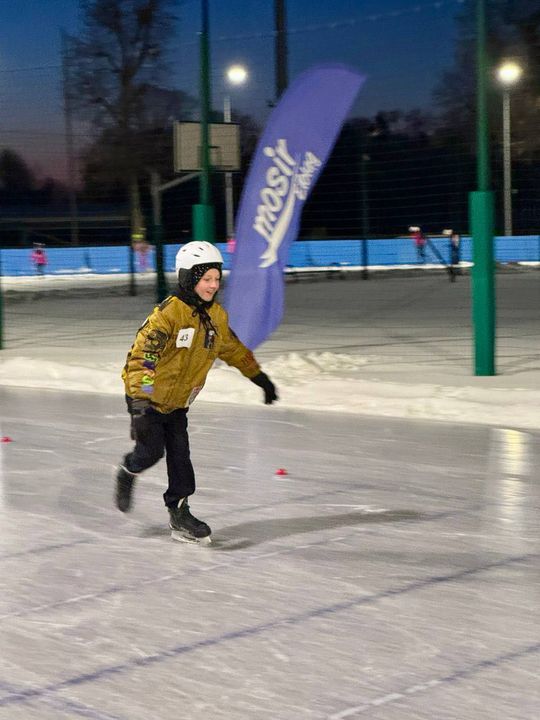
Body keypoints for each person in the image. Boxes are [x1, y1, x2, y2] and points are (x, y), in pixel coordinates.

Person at [115, 241, 278, 544]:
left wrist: (258, 376)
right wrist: (139, 405)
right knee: (150, 453)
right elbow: (143, 361)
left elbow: (233, 349)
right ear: (188, 278)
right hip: (148, 399)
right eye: (206, 279)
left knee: (181, 457)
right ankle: (129, 469)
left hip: (178, 403)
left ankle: (180, 514)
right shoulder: (167, 315)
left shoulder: (216, 316)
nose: (213, 285)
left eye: (217, 278)